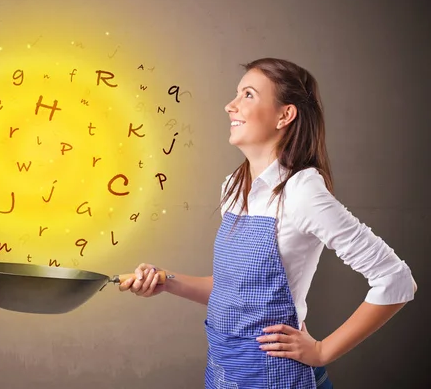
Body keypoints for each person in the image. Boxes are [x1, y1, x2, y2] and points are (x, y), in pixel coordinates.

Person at [118, 57, 418, 388]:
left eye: (248, 94)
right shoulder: (234, 185)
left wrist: (321, 351)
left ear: (284, 115)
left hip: (278, 378)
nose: (230, 106)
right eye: (237, 94)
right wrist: (167, 281)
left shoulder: (303, 191)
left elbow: (395, 279)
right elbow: (237, 292)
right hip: (226, 373)